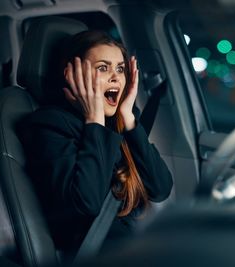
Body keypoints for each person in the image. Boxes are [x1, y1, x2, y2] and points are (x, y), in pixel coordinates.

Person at [19, 30, 173, 252]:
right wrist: (94, 121)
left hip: (136, 245)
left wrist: (129, 119)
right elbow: (86, 202)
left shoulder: (122, 121)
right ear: (72, 75)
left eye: (120, 69)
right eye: (103, 67)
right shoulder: (48, 124)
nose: (115, 77)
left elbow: (161, 188)